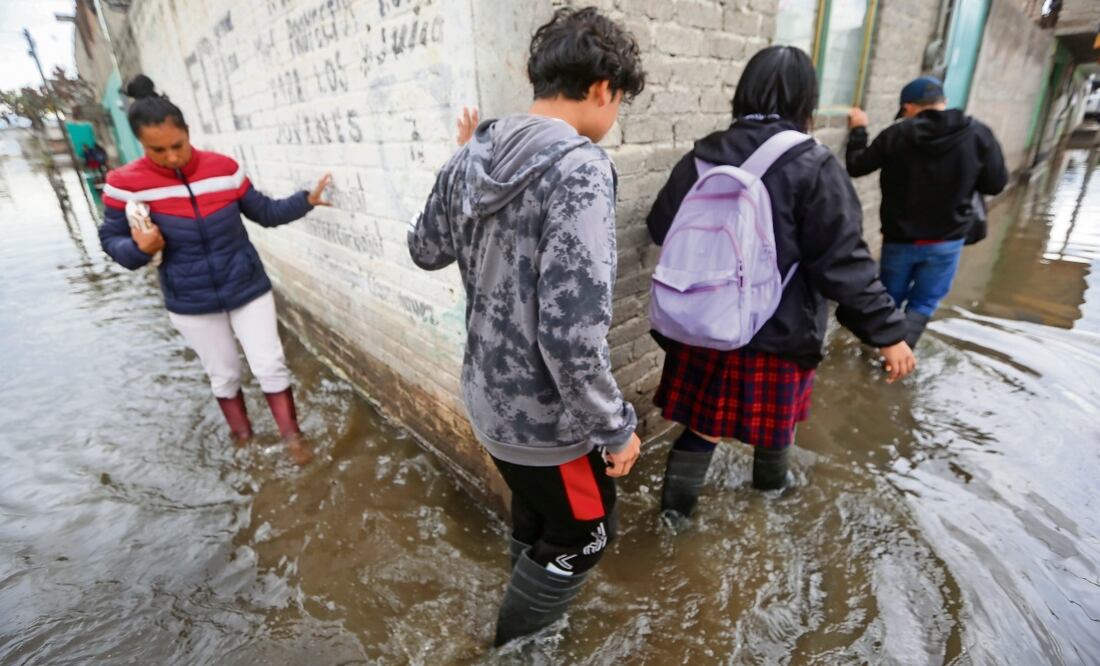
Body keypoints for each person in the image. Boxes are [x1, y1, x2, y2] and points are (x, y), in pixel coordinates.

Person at [408, 7, 645, 647]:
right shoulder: (581, 167)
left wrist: (458, 167)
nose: (614, 114)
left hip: (487, 397)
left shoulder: (473, 154)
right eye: (619, 100)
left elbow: (423, 248)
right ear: (602, 89)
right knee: (586, 534)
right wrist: (616, 427)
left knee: (539, 514)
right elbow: (571, 334)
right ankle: (511, 649)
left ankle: (529, 623)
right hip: (547, 420)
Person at [647, 46, 915, 520]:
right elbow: (842, 261)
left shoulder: (702, 156)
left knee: (701, 426)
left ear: (743, 91)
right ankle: (771, 507)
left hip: (705, 324)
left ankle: (673, 523)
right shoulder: (813, 164)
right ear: (805, 101)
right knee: (777, 428)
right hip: (777, 332)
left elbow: (660, 227)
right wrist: (887, 333)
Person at [98, 75, 332, 466]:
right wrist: (138, 249)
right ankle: (242, 440)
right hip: (190, 301)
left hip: (246, 287)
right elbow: (112, 242)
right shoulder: (124, 185)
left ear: (189, 133)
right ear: (141, 144)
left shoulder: (223, 169)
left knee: (270, 364)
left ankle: (294, 440)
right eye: (158, 150)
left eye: (178, 145)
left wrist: (305, 200)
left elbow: (265, 213)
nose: (172, 157)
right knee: (223, 375)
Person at [846, 76, 1009, 346]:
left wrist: (859, 130)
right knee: (923, 304)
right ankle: (898, 361)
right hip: (946, 243)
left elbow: (857, 166)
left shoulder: (896, 134)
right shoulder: (979, 134)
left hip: (899, 241)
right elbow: (996, 184)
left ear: (909, 107)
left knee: (886, 301)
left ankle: (874, 353)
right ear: (942, 103)